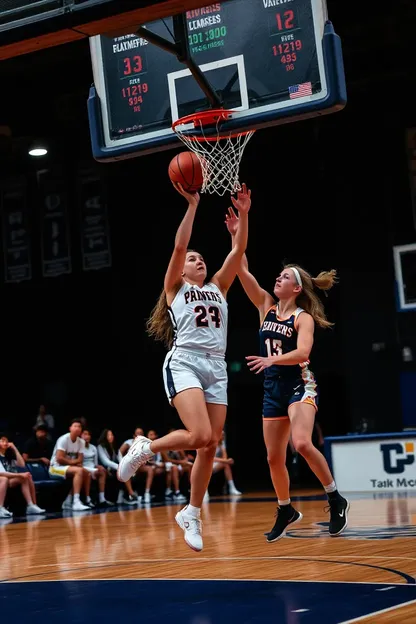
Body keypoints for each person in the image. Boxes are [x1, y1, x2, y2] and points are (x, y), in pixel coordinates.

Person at [117, 182, 251, 552]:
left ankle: (191, 512)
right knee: (198, 434)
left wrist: (243, 214)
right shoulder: (175, 290)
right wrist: (192, 204)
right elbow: (178, 246)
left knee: (209, 444)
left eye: (200, 258)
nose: (198, 260)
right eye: (193, 260)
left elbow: (238, 252)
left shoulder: (218, 287)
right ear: (181, 271)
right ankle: (147, 446)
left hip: (217, 367)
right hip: (185, 361)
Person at [225, 206, 349, 542]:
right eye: (279, 276)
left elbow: (304, 353)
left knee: (302, 443)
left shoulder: (302, 317)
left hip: (299, 384)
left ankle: (335, 498)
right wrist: (238, 231)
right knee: (273, 457)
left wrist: (271, 361)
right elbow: (240, 269)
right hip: (272, 389)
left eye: (285, 277)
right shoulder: (265, 306)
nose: (278, 278)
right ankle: (285, 508)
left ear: (295, 289)